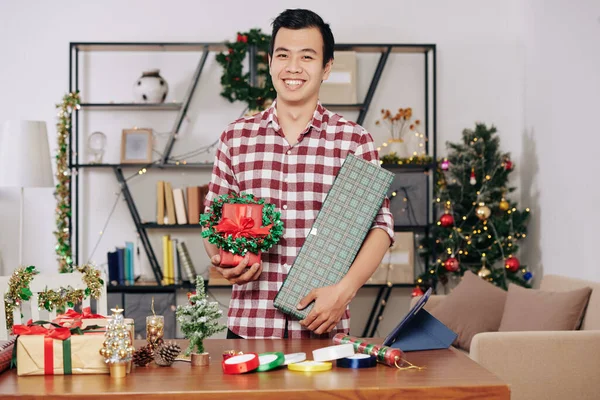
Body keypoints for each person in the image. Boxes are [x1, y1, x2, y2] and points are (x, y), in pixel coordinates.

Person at [203, 8, 394, 339]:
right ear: (271, 63)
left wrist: (345, 291)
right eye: (283, 55)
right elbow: (213, 220)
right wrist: (226, 260)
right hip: (250, 329)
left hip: (323, 327)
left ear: (326, 68)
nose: (293, 67)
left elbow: (380, 227)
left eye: (307, 56)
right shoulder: (236, 137)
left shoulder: (354, 140)